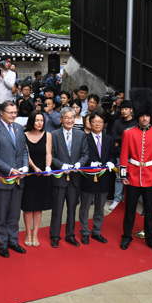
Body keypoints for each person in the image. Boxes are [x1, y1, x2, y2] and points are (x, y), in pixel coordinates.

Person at [119, 88, 152, 252]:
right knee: (130, 210)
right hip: (132, 176)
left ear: (150, 116)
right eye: (142, 115)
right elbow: (124, 155)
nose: (145, 118)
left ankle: (151, 238)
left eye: (147, 115)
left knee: (150, 211)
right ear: (138, 115)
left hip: (151, 177)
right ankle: (126, 237)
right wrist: (123, 174)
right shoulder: (129, 133)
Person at [0, 100, 29, 258]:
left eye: (15, 112)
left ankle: (13, 241)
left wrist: (25, 167)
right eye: (10, 112)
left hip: (19, 179)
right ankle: (2, 244)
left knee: (14, 214)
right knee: (1, 214)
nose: (13, 115)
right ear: (1, 113)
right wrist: (11, 170)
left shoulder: (18, 128)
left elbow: (24, 151)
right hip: (3, 180)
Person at [49, 106, 89, 248]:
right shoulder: (53, 135)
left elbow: (85, 154)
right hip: (59, 178)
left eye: (72, 117)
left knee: (72, 208)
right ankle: (54, 235)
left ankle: (70, 235)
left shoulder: (81, 134)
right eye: (66, 117)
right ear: (61, 119)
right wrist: (61, 166)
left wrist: (79, 163)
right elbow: (51, 155)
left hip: (75, 179)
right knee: (57, 208)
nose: (69, 120)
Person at [78, 112, 115, 244]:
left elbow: (112, 155)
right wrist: (89, 164)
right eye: (94, 122)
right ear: (90, 123)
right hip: (88, 177)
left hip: (104, 178)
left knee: (100, 207)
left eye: (100, 122)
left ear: (103, 123)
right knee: (85, 206)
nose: (97, 124)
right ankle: (84, 232)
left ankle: (97, 231)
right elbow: (81, 156)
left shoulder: (109, 139)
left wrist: (111, 162)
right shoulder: (84, 138)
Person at [21, 111, 52, 247]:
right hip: (30, 173)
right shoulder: (24, 135)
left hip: (43, 174)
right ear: (31, 121)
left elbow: (48, 153)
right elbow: (25, 154)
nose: (39, 123)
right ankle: (28, 233)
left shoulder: (48, 135)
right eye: (37, 120)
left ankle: (35, 234)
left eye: (41, 120)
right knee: (28, 206)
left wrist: (47, 167)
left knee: (38, 206)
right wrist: (34, 168)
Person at [109, 100, 137, 210]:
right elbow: (113, 137)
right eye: (122, 109)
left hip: (134, 155)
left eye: (126, 109)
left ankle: (127, 200)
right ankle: (117, 199)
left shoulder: (136, 123)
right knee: (119, 177)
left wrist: (121, 138)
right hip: (119, 154)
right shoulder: (117, 122)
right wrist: (126, 136)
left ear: (131, 110)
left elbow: (136, 138)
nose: (124, 111)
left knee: (131, 178)